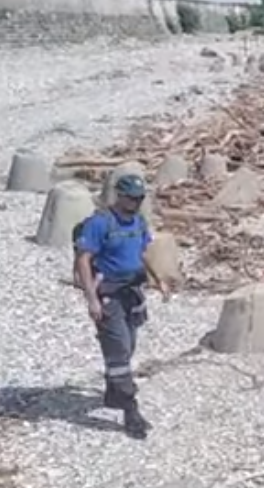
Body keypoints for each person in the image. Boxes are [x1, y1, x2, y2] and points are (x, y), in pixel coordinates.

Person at [74, 173, 154, 439]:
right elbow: (84, 259)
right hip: (108, 293)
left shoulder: (139, 222)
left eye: (140, 198)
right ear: (120, 196)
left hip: (132, 292)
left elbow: (143, 252)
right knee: (118, 349)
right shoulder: (100, 223)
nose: (136, 203)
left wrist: (158, 278)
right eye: (132, 198)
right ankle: (131, 410)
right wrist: (91, 299)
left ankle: (113, 392)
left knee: (128, 345)